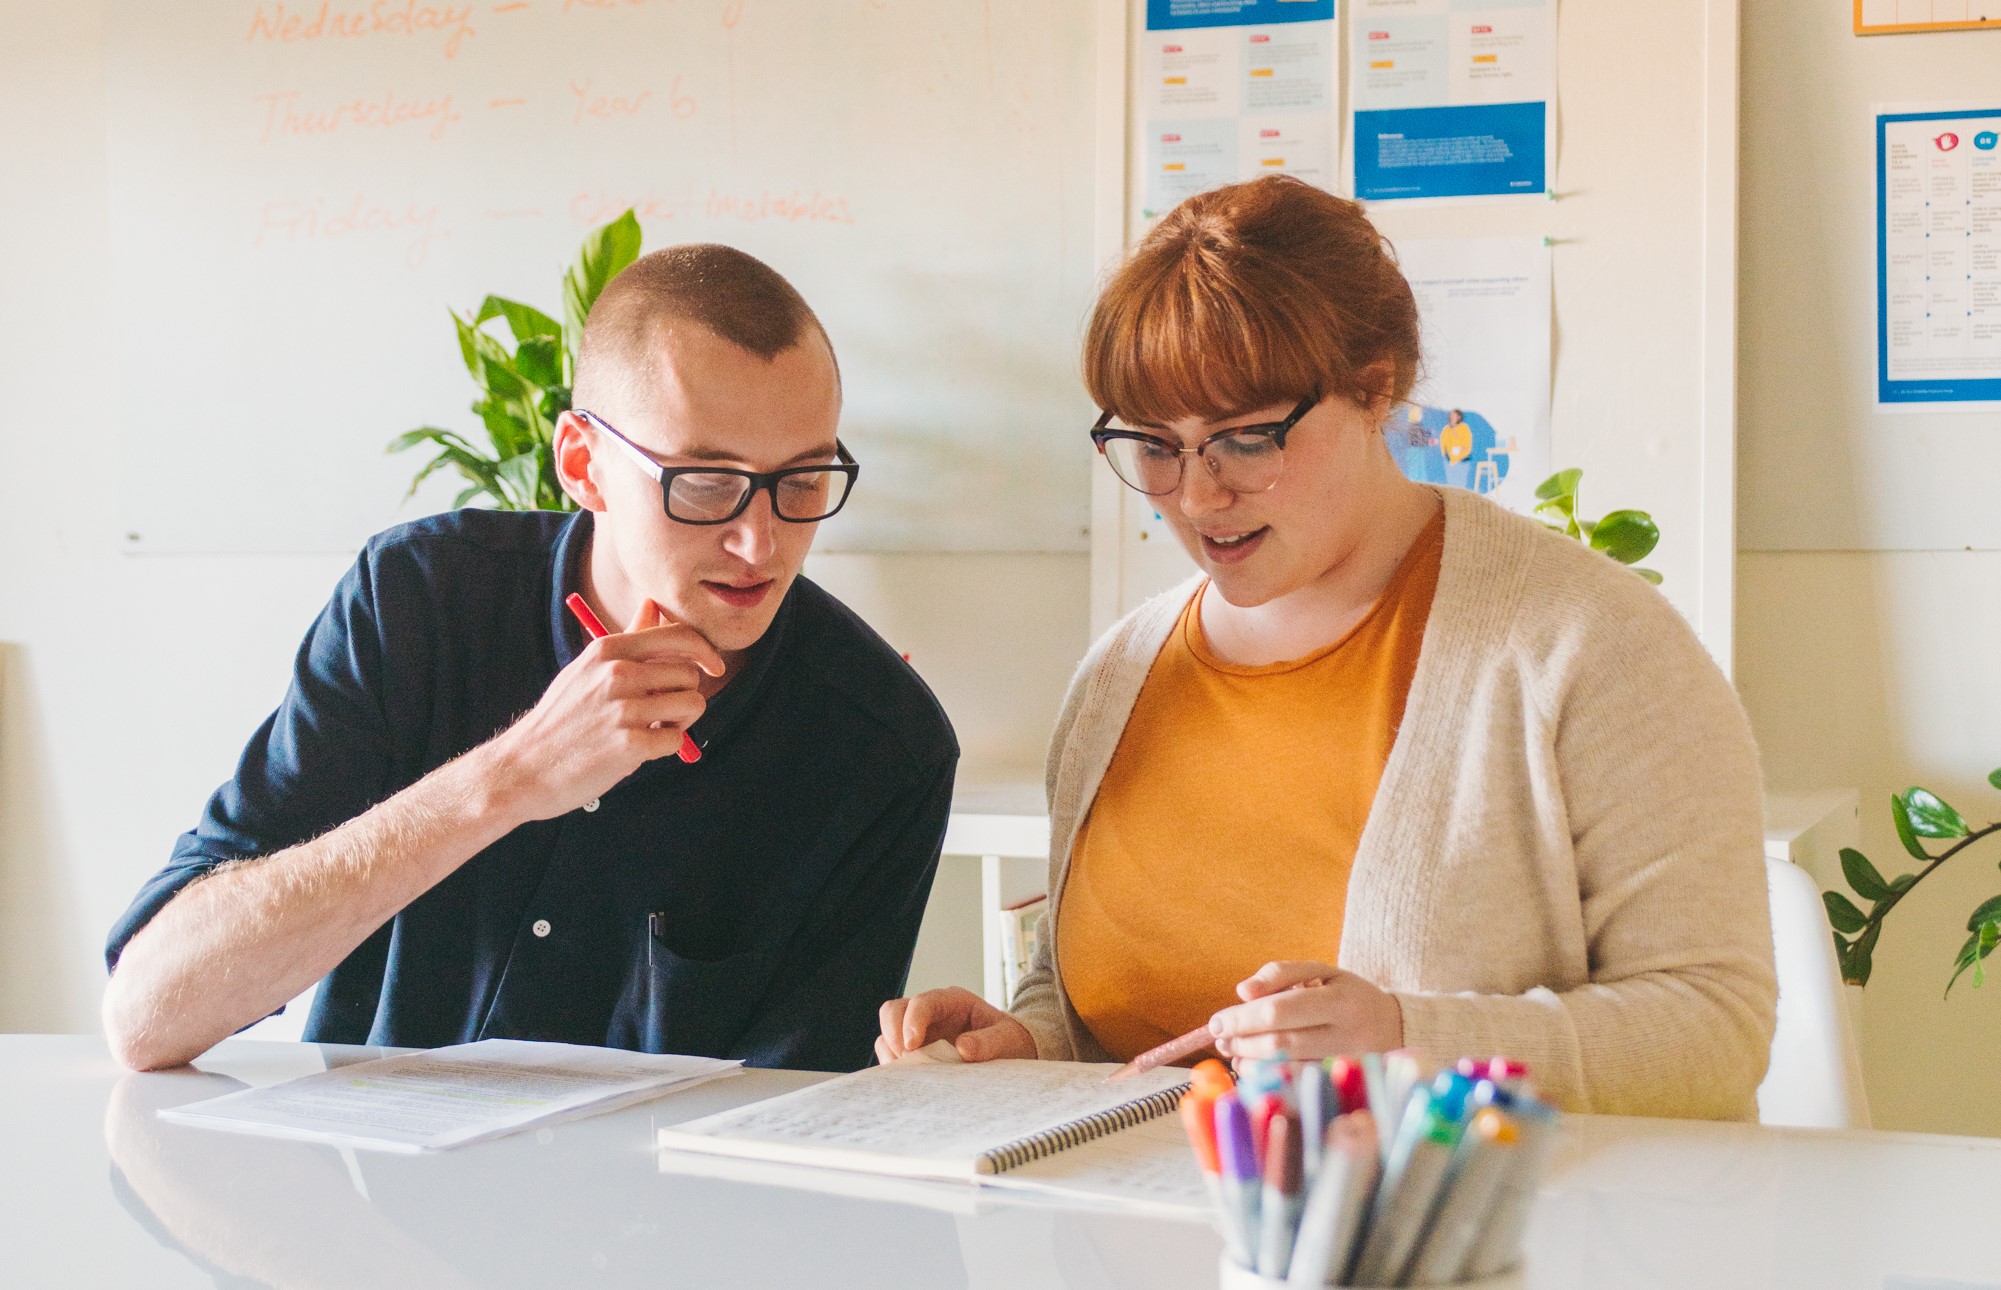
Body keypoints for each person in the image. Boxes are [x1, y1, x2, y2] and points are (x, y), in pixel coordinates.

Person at [877, 176, 1775, 1119]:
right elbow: (1105, 1014)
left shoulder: (1588, 645)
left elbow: (1713, 1030)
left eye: (1245, 440)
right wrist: (1021, 1043)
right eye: (1154, 446)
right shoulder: (1118, 677)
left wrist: (1404, 1039)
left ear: (1372, 387)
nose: (1196, 495)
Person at [103, 244, 958, 1073]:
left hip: (663, 1219)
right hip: (361, 1200)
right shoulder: (418, 601)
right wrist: (508, 780)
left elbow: (790, 1126)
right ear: (583, 465)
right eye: (703, 481)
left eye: (803, 479)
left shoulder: (883, 744)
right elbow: (149, 1015)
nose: (758, 540)